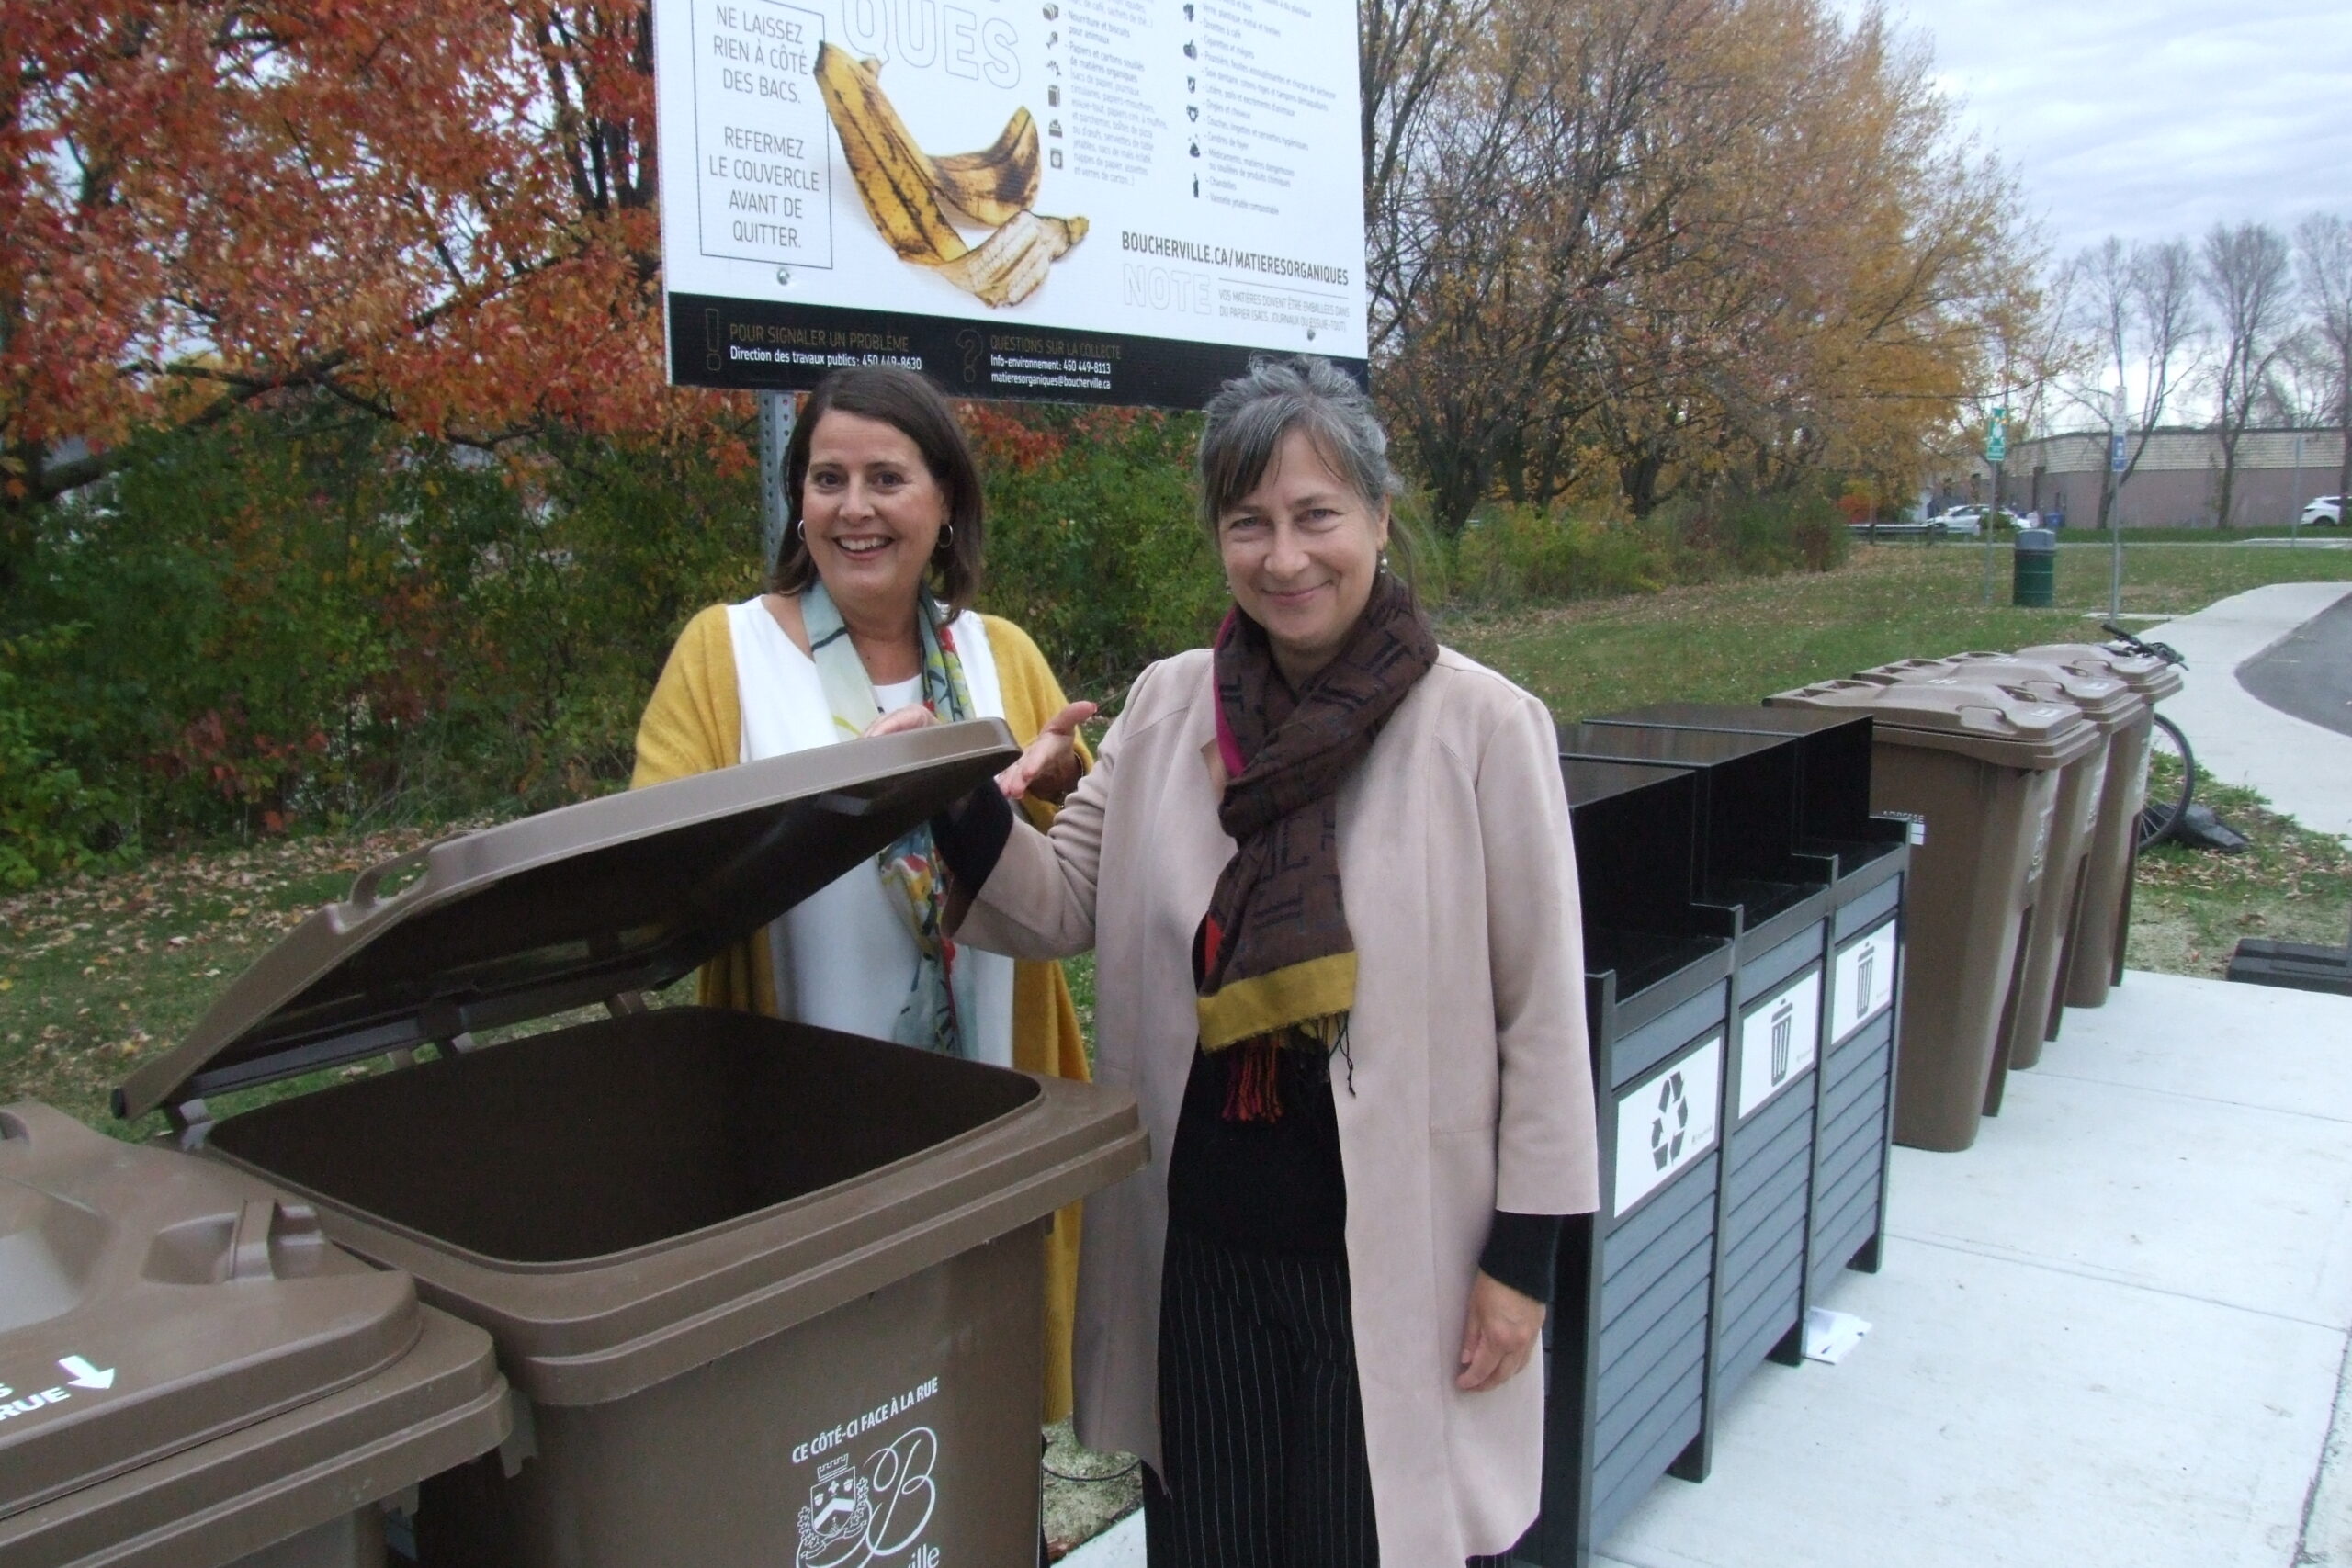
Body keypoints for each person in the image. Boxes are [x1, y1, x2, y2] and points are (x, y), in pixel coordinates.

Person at [923, 355, 1599, 1565]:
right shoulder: (1170, 708)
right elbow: (1054, 902)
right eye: (1249, 523)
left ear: (1383, 520)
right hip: (1201, 1251)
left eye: (1317, 515)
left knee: (1361, 1537)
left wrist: (1522, 1259)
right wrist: (951, 793)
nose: (1285, 557)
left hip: (1398, 1260)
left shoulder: (1485, 727)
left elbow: (1541, 1013)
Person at [629, 364, 1096, 1424]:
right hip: (803, 1132)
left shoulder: (999, 654)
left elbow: (1069, 869)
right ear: (797, 500)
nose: (854, 508)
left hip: (985, 1108)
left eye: (887, 477)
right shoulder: (725, 652)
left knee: (979, 1403)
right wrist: (834, 809)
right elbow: (656, 882)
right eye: (827, 478)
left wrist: (1058, 782)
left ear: (944, 501)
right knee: (832, 1422)